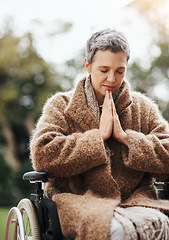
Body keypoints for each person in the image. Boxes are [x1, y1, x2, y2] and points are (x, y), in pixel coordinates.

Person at [30, 29, 169, 240]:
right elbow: (43, 155)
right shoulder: (60, 106)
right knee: (116, 229)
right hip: (78, 201)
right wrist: (99, 136)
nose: (112, 79)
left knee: (158, 223)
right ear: (87, 65)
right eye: (104, 70)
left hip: (136, 200)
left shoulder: (144, 108)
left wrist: (126, 138)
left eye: (120, 71)